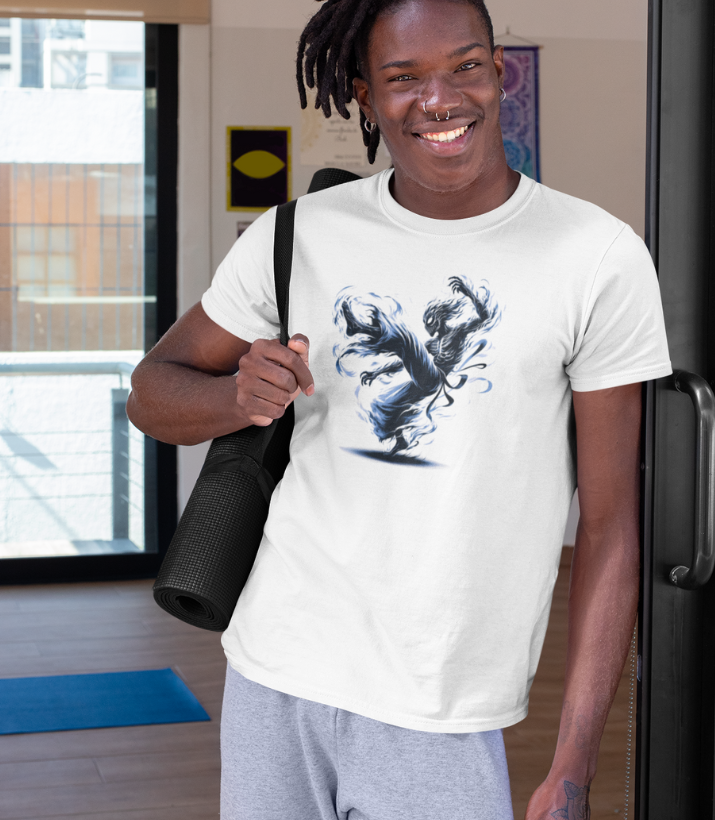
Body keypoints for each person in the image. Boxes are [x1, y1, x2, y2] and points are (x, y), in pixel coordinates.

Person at [126, 0, 673, 817]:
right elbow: (151, 393)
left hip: (442, 705)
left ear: (498, 70)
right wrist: (234, 396)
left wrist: (574, 763)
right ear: (366, 95)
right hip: (276, 667)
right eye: (403, 77)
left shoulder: (596, 256)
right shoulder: (295, 235)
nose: (439, 99)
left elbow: (609, 526)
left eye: (465, 66)